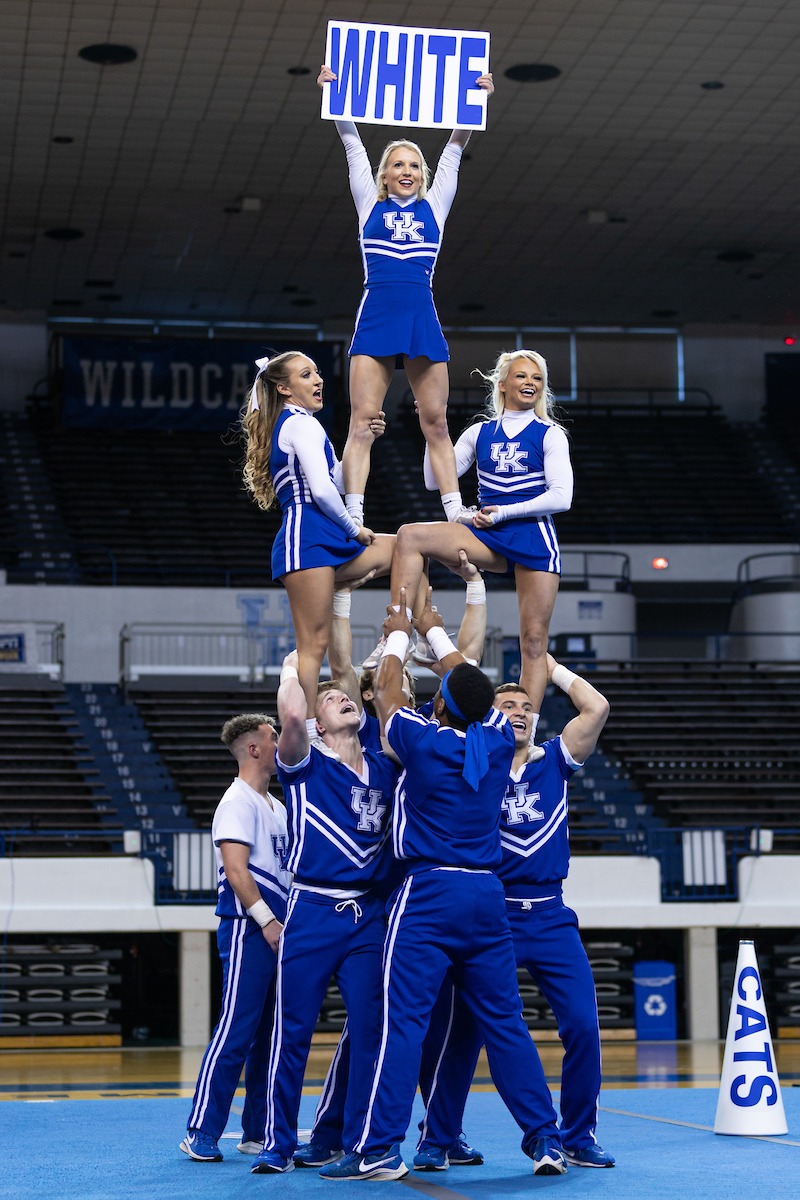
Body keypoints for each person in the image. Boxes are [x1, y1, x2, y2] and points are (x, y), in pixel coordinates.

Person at [319, 598, 567, 1180]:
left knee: (403, 1023)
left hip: (428, 893)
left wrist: (400, 634)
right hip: (487, 895)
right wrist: (433, 626)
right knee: (506, 1022)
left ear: (439, 706)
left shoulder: (422, 741)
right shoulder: (501, 737)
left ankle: (379, 1149)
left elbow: (385, 690)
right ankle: (545, 1137)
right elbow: (468, 685)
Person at [415, 662, 615, 1169]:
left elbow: (597, 708)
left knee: (583, 1026)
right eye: (508, 705)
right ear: (487, 717)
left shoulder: (556, 760)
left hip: (550, 914)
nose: (521, 711)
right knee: (464, 1033)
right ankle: (438, 1136)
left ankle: (577, 1134)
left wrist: (552, 669)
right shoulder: (475, 763)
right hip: (493, 912)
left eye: (528, 706)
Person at [317, 64, 494, 528]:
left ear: (423, 174)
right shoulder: (367, 203)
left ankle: (455, 511)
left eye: (415, 164)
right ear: (384, 173)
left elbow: (455, 148)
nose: (407, 170)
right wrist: (333, 95)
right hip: (376, 313)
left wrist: (478, 102)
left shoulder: (436, 205)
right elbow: (351, 145)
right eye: (398, 163)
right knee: (362, 422)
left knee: (435, 423)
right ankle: (353, 515)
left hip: (420, 315)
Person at [251, 653, 398, 1175]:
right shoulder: (305, 762)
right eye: (329, 699)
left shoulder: (385, 762)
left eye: (347, 696)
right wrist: (294, 670)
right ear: (317, 722)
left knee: (370, 1030)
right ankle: (278, 1143)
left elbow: (388, 696)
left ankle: (359, 1142)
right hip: (311, 908)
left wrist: (385, 654)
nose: (342, 698)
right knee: (292, 1031)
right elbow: (290, 718)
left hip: (368, 913)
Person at [389, 350, 573, 729]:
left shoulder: (550, 433)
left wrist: (503, 512)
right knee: (410, 536)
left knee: (534, 644)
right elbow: (432, 479)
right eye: (521, 376)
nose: (530, 384)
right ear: (502, 384)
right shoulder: (480, 432)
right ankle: (404, 631)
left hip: (532, 534)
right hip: (487, 532)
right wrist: (431, 427)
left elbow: (562, 497)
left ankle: (525, 734)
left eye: (537, 379)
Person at [241, 350, 395, 734]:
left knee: (407, 547)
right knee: (313, 647)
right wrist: (354, 529)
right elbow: (326, 494)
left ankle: (409, 634)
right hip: (307, 537)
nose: (318, 380)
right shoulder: (299, 425)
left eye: (317, 373)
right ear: (284, 388)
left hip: (321, 535)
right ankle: (308, 733)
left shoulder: (301, 424)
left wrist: (362, 439)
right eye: (306, 374)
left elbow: (338, 480)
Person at [180, 714, 290, 1163]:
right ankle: (201, 1129)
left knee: (269, 1034)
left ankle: (257, 1130)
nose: (282, 743)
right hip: (250, 925)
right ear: (254, 749)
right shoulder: (236, 801)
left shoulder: (277, 806)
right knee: (237, 1029)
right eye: (273, 736)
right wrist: (266, 920)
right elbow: (237, 870)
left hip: (277, 926)